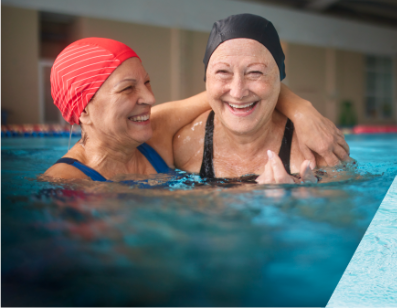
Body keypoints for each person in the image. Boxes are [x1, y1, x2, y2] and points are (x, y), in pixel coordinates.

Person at [43, 37, 342, 183]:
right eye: (128, 88)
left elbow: (229, 93)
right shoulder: (64, 183)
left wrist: (302, 110)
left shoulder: (155, 132)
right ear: (82, 111)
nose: (149, 97)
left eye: (147, 82)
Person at [172, 14, 347, 184]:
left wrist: (306, 203)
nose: (238, 92)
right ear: (207, 80)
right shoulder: (184, 146)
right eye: (223, 72)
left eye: (255, 72)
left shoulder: (314, 149)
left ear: (279, 80)